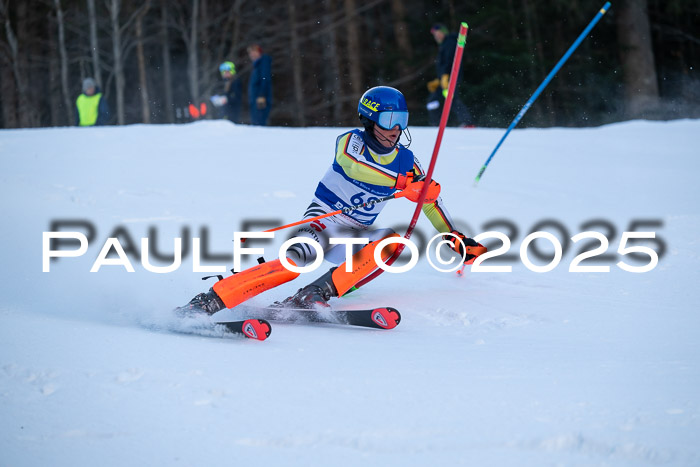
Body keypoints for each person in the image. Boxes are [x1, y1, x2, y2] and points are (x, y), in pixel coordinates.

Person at [179, 86, 486, 316]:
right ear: (370, 118)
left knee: (391, 244)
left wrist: (454, 237)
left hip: (354, 234)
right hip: (322, 222)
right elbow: (354, 166)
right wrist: (402, 183)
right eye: (389, 119)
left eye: (401, 120)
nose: (395, 129)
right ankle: (210, 300)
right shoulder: (351, 142)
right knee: (295, 263)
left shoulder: (407, 160)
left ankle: (313, 294)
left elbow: (430, 202)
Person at [427, 24, 473, 127]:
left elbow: (450, 61)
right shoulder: (444, 44)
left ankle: (467, 123)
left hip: (450, 78)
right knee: (433, 101)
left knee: (452, 99)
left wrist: (445, 76)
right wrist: (439, 79)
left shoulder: (449, 43)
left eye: (438, 34)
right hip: (444, 79)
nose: (437, 36)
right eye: (435, 35)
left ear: (444, 32)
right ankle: (436, 124)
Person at [247, 44, 272, 126]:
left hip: (260, 98)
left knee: (259, 123)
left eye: (254, 52)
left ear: (259, 52)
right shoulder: (256, 65)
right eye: (250, 53)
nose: (252, 54)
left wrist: (262, 94)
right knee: (256, 122)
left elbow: (265, 78)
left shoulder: (263, 62)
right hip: (255, 98)